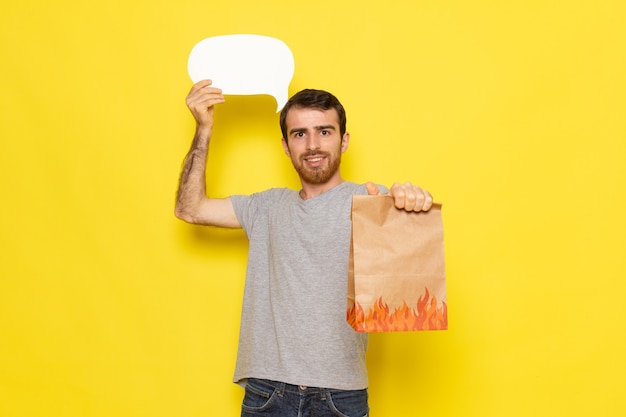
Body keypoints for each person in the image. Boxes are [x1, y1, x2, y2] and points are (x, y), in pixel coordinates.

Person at [175, 79, 434, 417]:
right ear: (285, 146)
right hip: (267, 392)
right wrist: (204, 128)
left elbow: (408, 279)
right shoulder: (264, 207)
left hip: (340, 396)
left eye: (324, 132)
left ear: (344, 140)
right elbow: (189, 208)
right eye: (300, 134)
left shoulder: (372, 201)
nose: (313, 144)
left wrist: (411, 208)